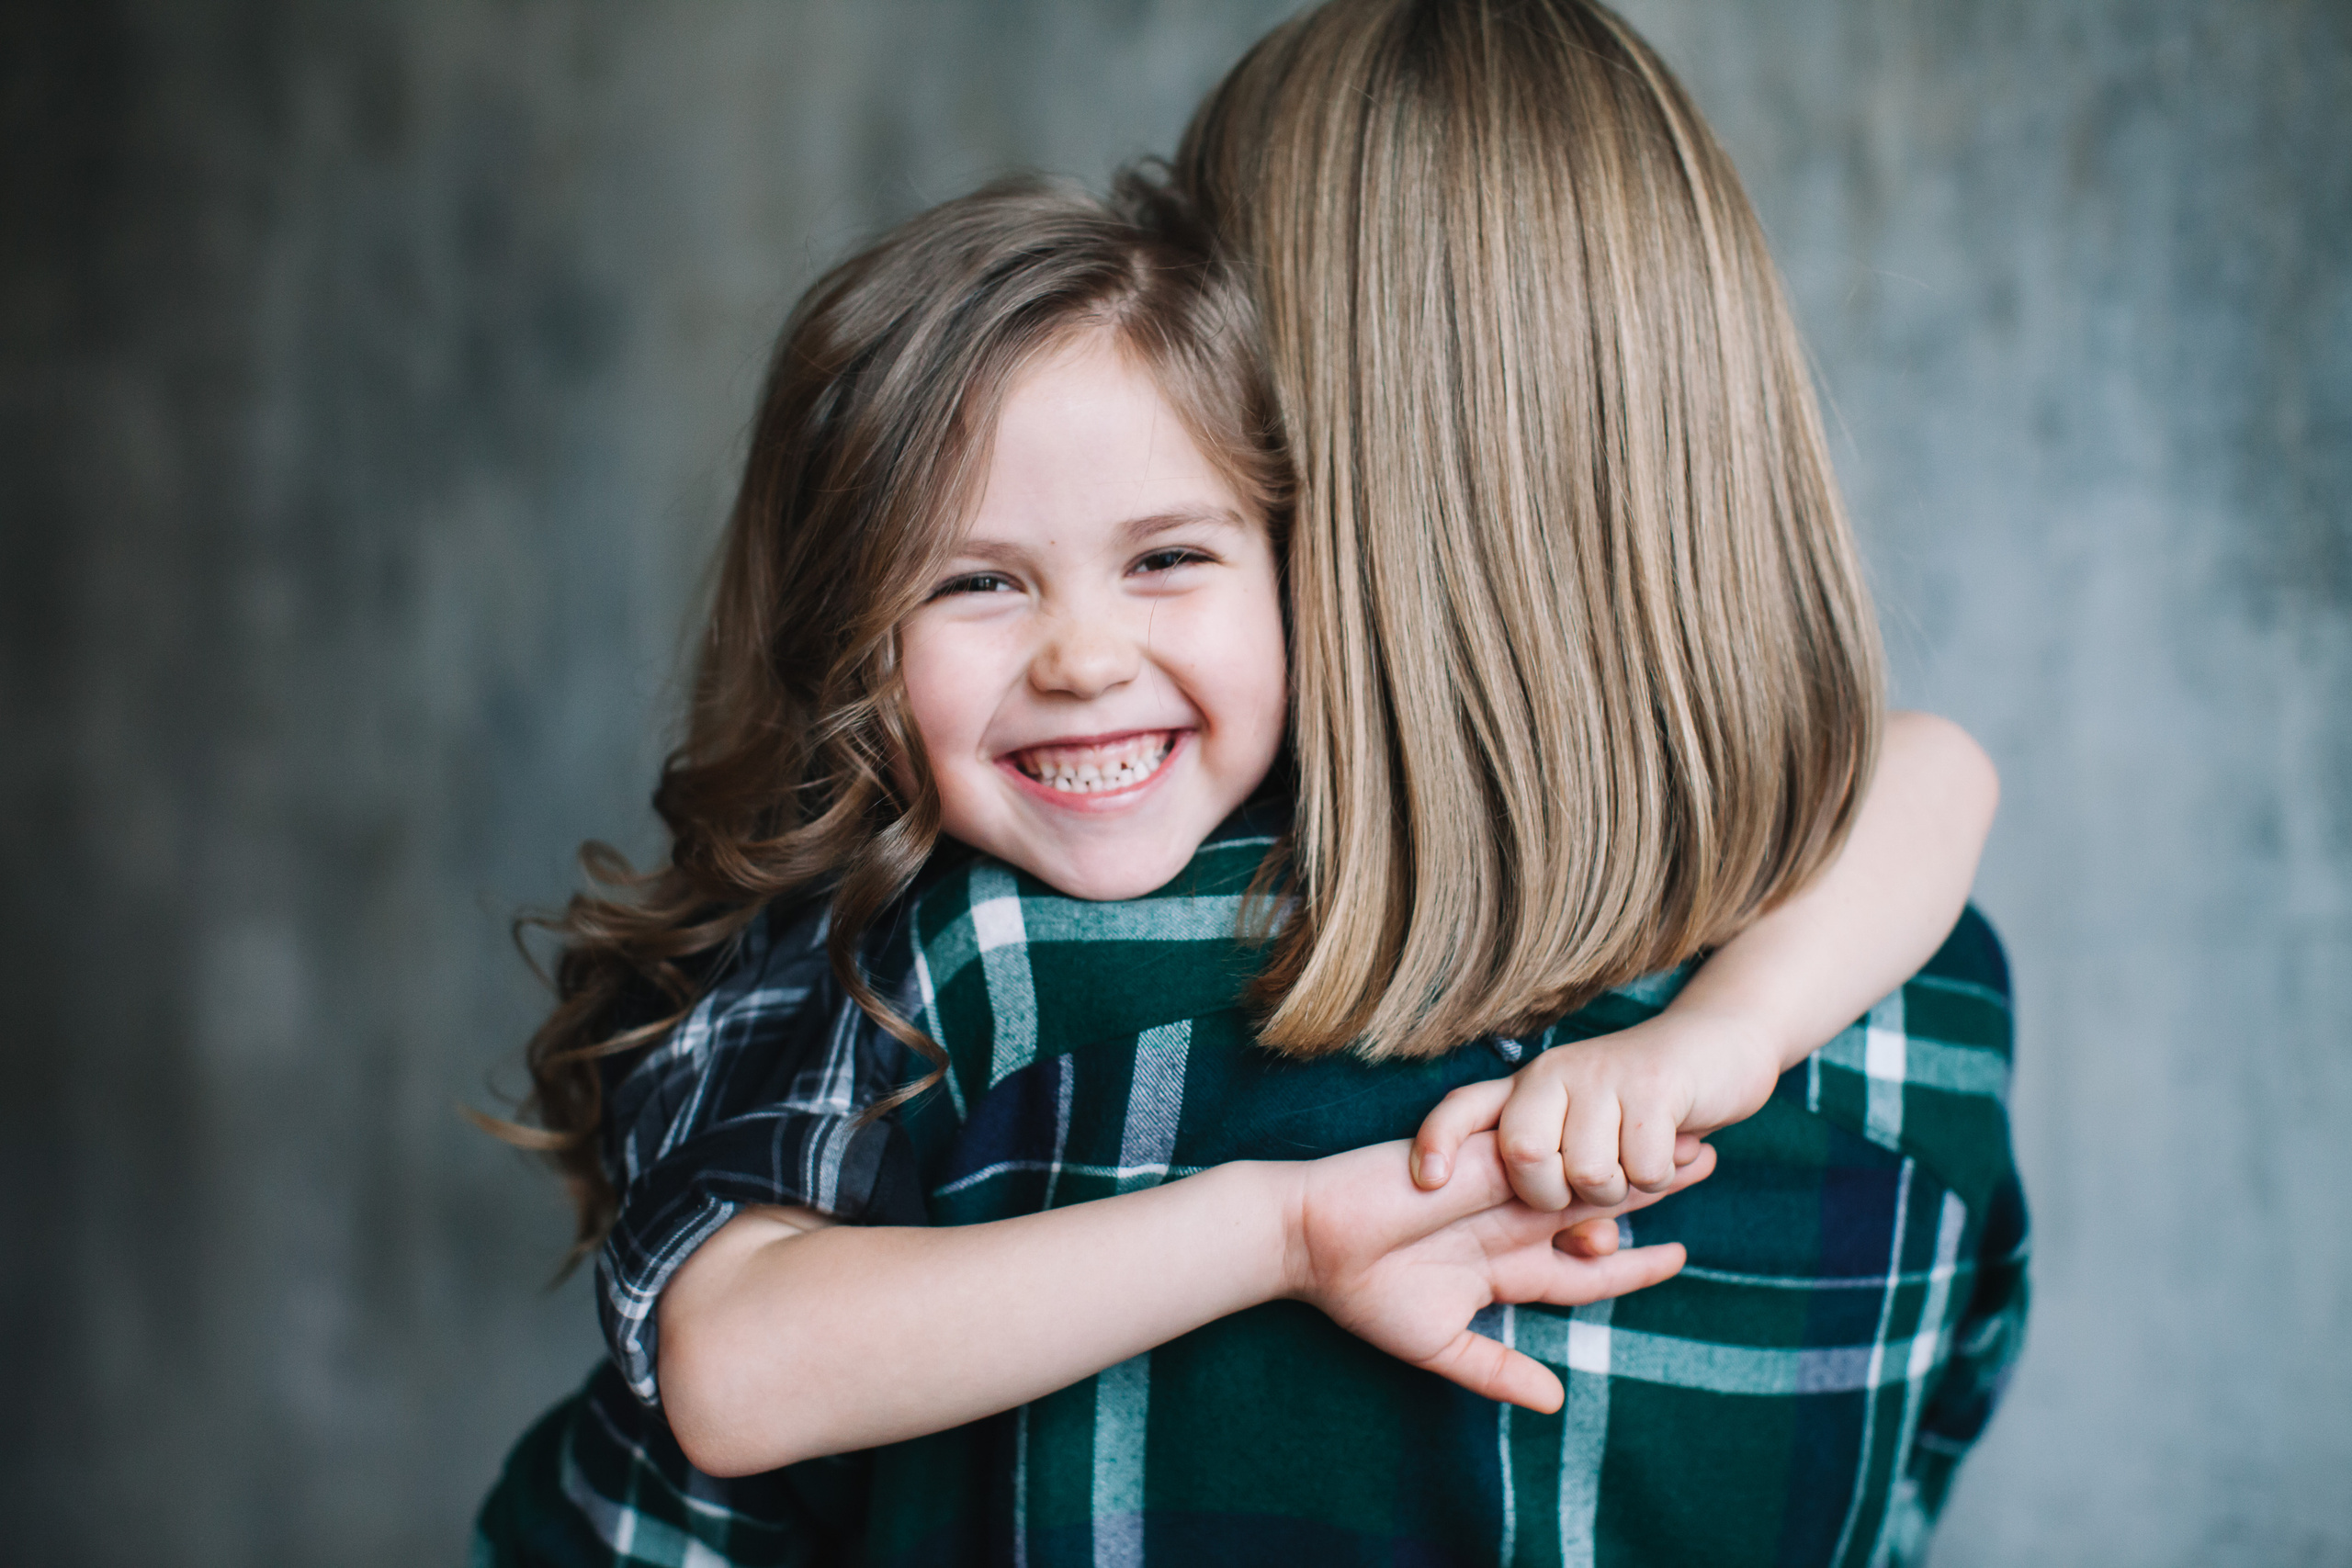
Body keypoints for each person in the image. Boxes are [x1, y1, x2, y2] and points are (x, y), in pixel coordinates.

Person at [474, 7, 2023, 1560]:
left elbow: (661, 1508)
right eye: (977, 581)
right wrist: (1710, 1042)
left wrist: (1707, 1049)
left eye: (1166, 553)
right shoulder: (1927, 1015)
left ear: (1303, 468)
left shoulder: (984, 970)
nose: (1089, 658)